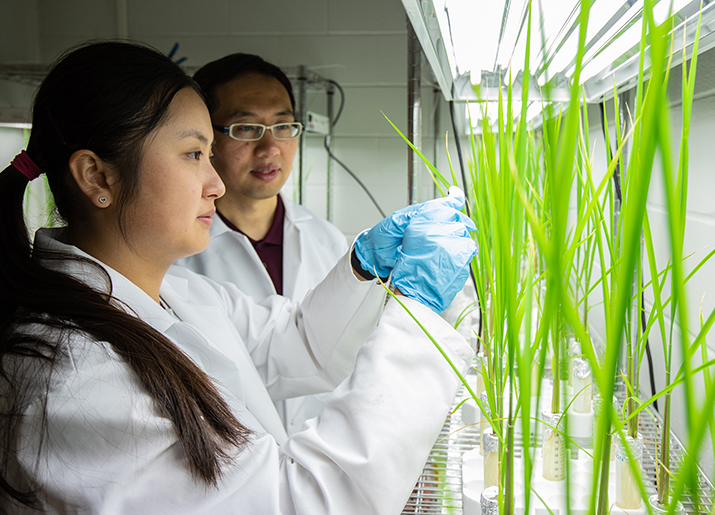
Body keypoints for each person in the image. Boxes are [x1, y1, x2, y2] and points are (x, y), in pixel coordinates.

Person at [0, 41, 477, 514]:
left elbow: (300, 345)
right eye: (192, 154)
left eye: (210, 154)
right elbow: (297, 505)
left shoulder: (179, 295)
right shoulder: (78, 381)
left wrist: (364, 267)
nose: (218, 184)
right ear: (97, 177)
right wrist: (417, 314)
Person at [176, 54, 347, 435]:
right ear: (207, 139)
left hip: (318, 462)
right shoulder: (173, 260)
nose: (270, 147)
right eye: (245, 128)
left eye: (284, 126)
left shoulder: (327, 241)